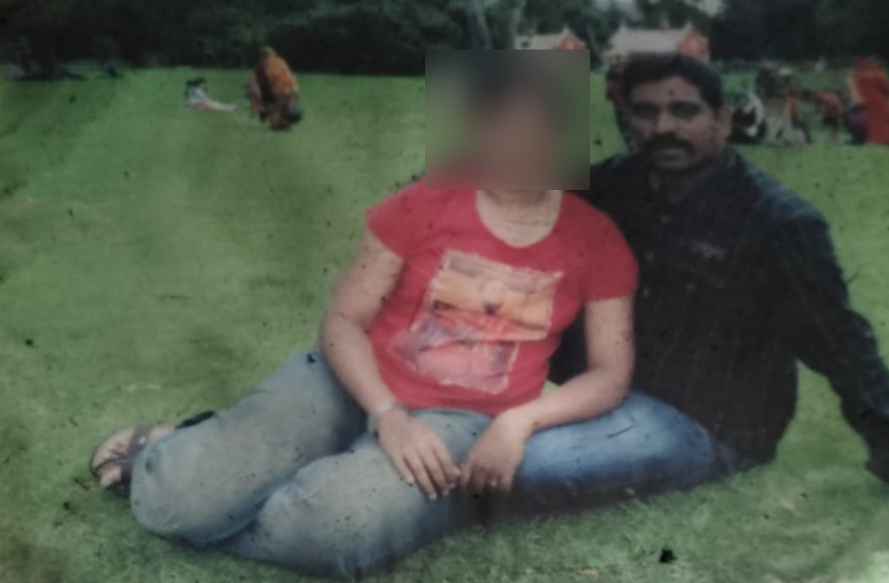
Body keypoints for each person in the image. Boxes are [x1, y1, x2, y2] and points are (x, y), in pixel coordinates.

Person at [90, 60, 638, 578]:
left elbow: (610, 373)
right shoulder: (423, 203)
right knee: (177, 501)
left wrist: (518, 422)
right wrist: (387, 415)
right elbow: (342, 321)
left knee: (335, 530)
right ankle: (191, 457)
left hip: (459, 422)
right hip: (348, 383)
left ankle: (249, 477)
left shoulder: (596, 238)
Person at [516, 53, 889, 521]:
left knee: (524, 469)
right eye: (645, 112)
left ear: (722, 119)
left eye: (684, 111)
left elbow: (845, 348)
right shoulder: (618, 182)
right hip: (607, 385)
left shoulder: (777, 221)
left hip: (708, 422)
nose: (663, 127)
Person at [247, 47, 302, 130]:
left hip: (279, 91)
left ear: (261, 58)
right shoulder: (281, 62)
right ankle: (288, 120)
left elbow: (255, 89)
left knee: (274, 114)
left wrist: (259, 107)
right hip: (293, 89)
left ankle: (280, 122)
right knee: (288, 108)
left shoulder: (259, 68)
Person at [850, 58, 889, 145]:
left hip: (866, 102)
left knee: (871, 122)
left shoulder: (857, 76)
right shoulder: (878, 75)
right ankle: (885, 138)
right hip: (880, 101)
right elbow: (887, 88)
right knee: (884, 120)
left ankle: (873, 139)